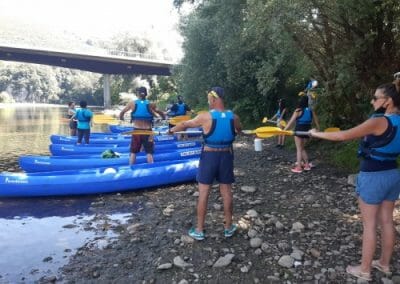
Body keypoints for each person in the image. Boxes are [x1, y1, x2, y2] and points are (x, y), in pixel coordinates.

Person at [309, 82, 400, 281]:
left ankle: (365, 271)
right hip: (393, 174)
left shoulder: (379, 122)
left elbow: (343, 135)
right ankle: (384, 264)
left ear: (388, 101)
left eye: (376, 98)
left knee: (369, 225)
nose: (372, 101)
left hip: (373, 177)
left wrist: (316, 133)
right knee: (386, 220)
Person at [169, 86, 243, 241]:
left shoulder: (204, 117)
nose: (208, 101)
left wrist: (170, 131)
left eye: (209, 98)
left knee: (203, 193)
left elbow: (184, 125)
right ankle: (228, 227)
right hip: (226, 156)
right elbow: (239, 130)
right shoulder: (233, 117)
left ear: (214, 98)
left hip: (209, 156)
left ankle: (199, 230)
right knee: (227, 192)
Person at [119, 86, 165, 165]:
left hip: (136, 131)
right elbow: (160, 113)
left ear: (138, 94)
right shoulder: (151, 104)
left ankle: (131, 168)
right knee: (149, 153)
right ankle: (151, 169)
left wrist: (121, 118)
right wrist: (163, 118)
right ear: (146, 94)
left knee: (133, 152)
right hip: (148, 132)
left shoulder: (132, 103)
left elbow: (122, 112)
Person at [284, 95, 320, 173]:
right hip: (308, 131)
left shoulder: (298, 110)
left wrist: (284, 130)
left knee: (299, 149)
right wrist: (318, 129)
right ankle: (307, 165)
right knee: (302, 148)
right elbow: (316, 121)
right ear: (307, 102)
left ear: (300, 101)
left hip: (299, 131)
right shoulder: (311, 110)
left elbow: (291, 122)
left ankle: (299, 167)